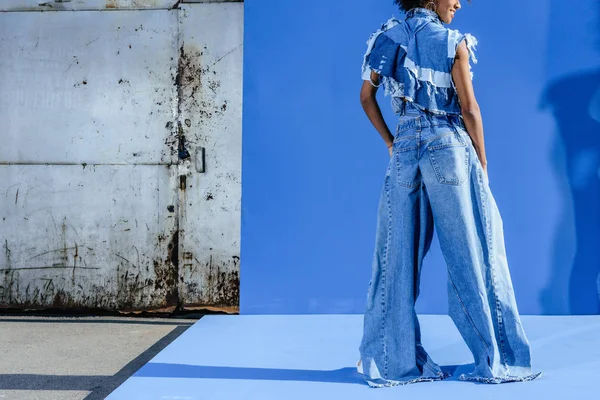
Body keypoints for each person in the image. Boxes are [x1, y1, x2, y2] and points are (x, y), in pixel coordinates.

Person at [356, 0, 543, 388]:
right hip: (448, 146)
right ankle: (496, 359)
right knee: (472, 251)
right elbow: (470, 108)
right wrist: (483, 162)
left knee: (396, 257)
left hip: (405, 149)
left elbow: (365, 98)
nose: (459, 2)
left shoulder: (388, 38)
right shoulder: (451, 42)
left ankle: (396, 364)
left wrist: (393, 142)